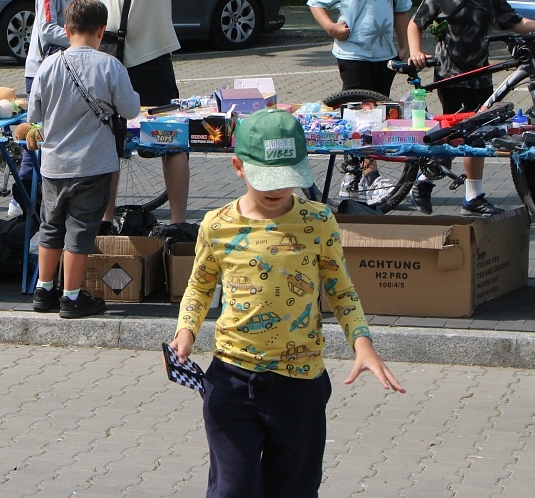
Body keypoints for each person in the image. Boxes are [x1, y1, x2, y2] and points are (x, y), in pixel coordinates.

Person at [169, 108, 405, 497]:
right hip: (231, 379)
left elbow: (341, 290)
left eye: (287, 179)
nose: (278, 190)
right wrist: (186, 332)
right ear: (238, 166)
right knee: (233, 489)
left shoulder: (319, 221)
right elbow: (198, 286)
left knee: (294, 489)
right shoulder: (216, 224)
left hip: (301, 385)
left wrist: (363, 345)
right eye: (267, 179)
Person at [49, 0, 205, 228]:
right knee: (107, 142)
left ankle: (179, 224)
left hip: (151, 52)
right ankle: (105, 220)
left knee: (174, 139)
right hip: (105, 58)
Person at [407, 0, 535, 216]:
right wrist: (416, 51)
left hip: (480, 75)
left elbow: (516, 22)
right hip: (451, 75)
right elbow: (415, 23)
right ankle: (424, 180)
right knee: (456, 133)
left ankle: (473, 196)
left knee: (477, 135)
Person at [27, 0, 141, 318]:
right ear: (101, 31)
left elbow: (34, 112)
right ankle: (72, 297)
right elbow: (130, 110)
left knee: (51, 226)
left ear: (66, 28)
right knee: (79, 230)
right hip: (92, 164)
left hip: (53, 164)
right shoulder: (109, 66)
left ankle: (43, 289)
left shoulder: (48, 65)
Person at [308, 0, 413, 202]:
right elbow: (317, 2)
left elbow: (402, 8)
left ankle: (354, 171)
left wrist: (404, 44)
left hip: (385, 53)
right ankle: (369, 174)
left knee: (378, 115)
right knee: (359, 114)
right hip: (352, 53)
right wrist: (331, 27)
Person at [11, 0, 82, 218]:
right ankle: (20, 200)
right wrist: (81, 37)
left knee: (55, 136)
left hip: (63, 69)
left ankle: (45, 200)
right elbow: (46, 29)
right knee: (36, 138)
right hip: (42, 71)